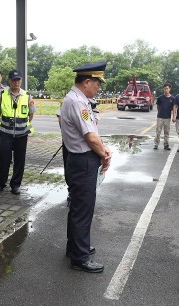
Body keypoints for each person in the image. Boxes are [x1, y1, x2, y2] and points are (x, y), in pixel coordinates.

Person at [60, 61, 111, 273]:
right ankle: (80, 258)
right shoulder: (78, 102)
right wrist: (105, 153)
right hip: (83, 161)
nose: (98, 87)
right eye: (97, 83)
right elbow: (91, 137)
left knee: (78, 208)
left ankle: (75, 247)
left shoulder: (75, 99)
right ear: (87, 81)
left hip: (77, 159)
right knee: (83, 209)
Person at [0, 69, 35, 195]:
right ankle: (0, 183)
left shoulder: (27, 96)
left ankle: (15, 185)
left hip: (22, 134)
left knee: (19, 160)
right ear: (9, 81)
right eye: (14, 80)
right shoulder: (2, 95)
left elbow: (31, 114)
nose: (16, 82)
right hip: (5, 133)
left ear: (21, 81)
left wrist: (22, 126)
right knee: (3, 160)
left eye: (18, 80)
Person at [154, 83, 174, 150]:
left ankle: (166, 145)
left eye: (167, 89)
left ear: (169, 89)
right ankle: (156, 144)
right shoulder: (160, 98)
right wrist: (160, 112)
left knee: (167, 132)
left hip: (167, 117)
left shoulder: (172, 98)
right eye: (165, 88)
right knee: (158, 131)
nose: (166, 90)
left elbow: (173, 108)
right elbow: (158, 106)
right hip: (160, 117)